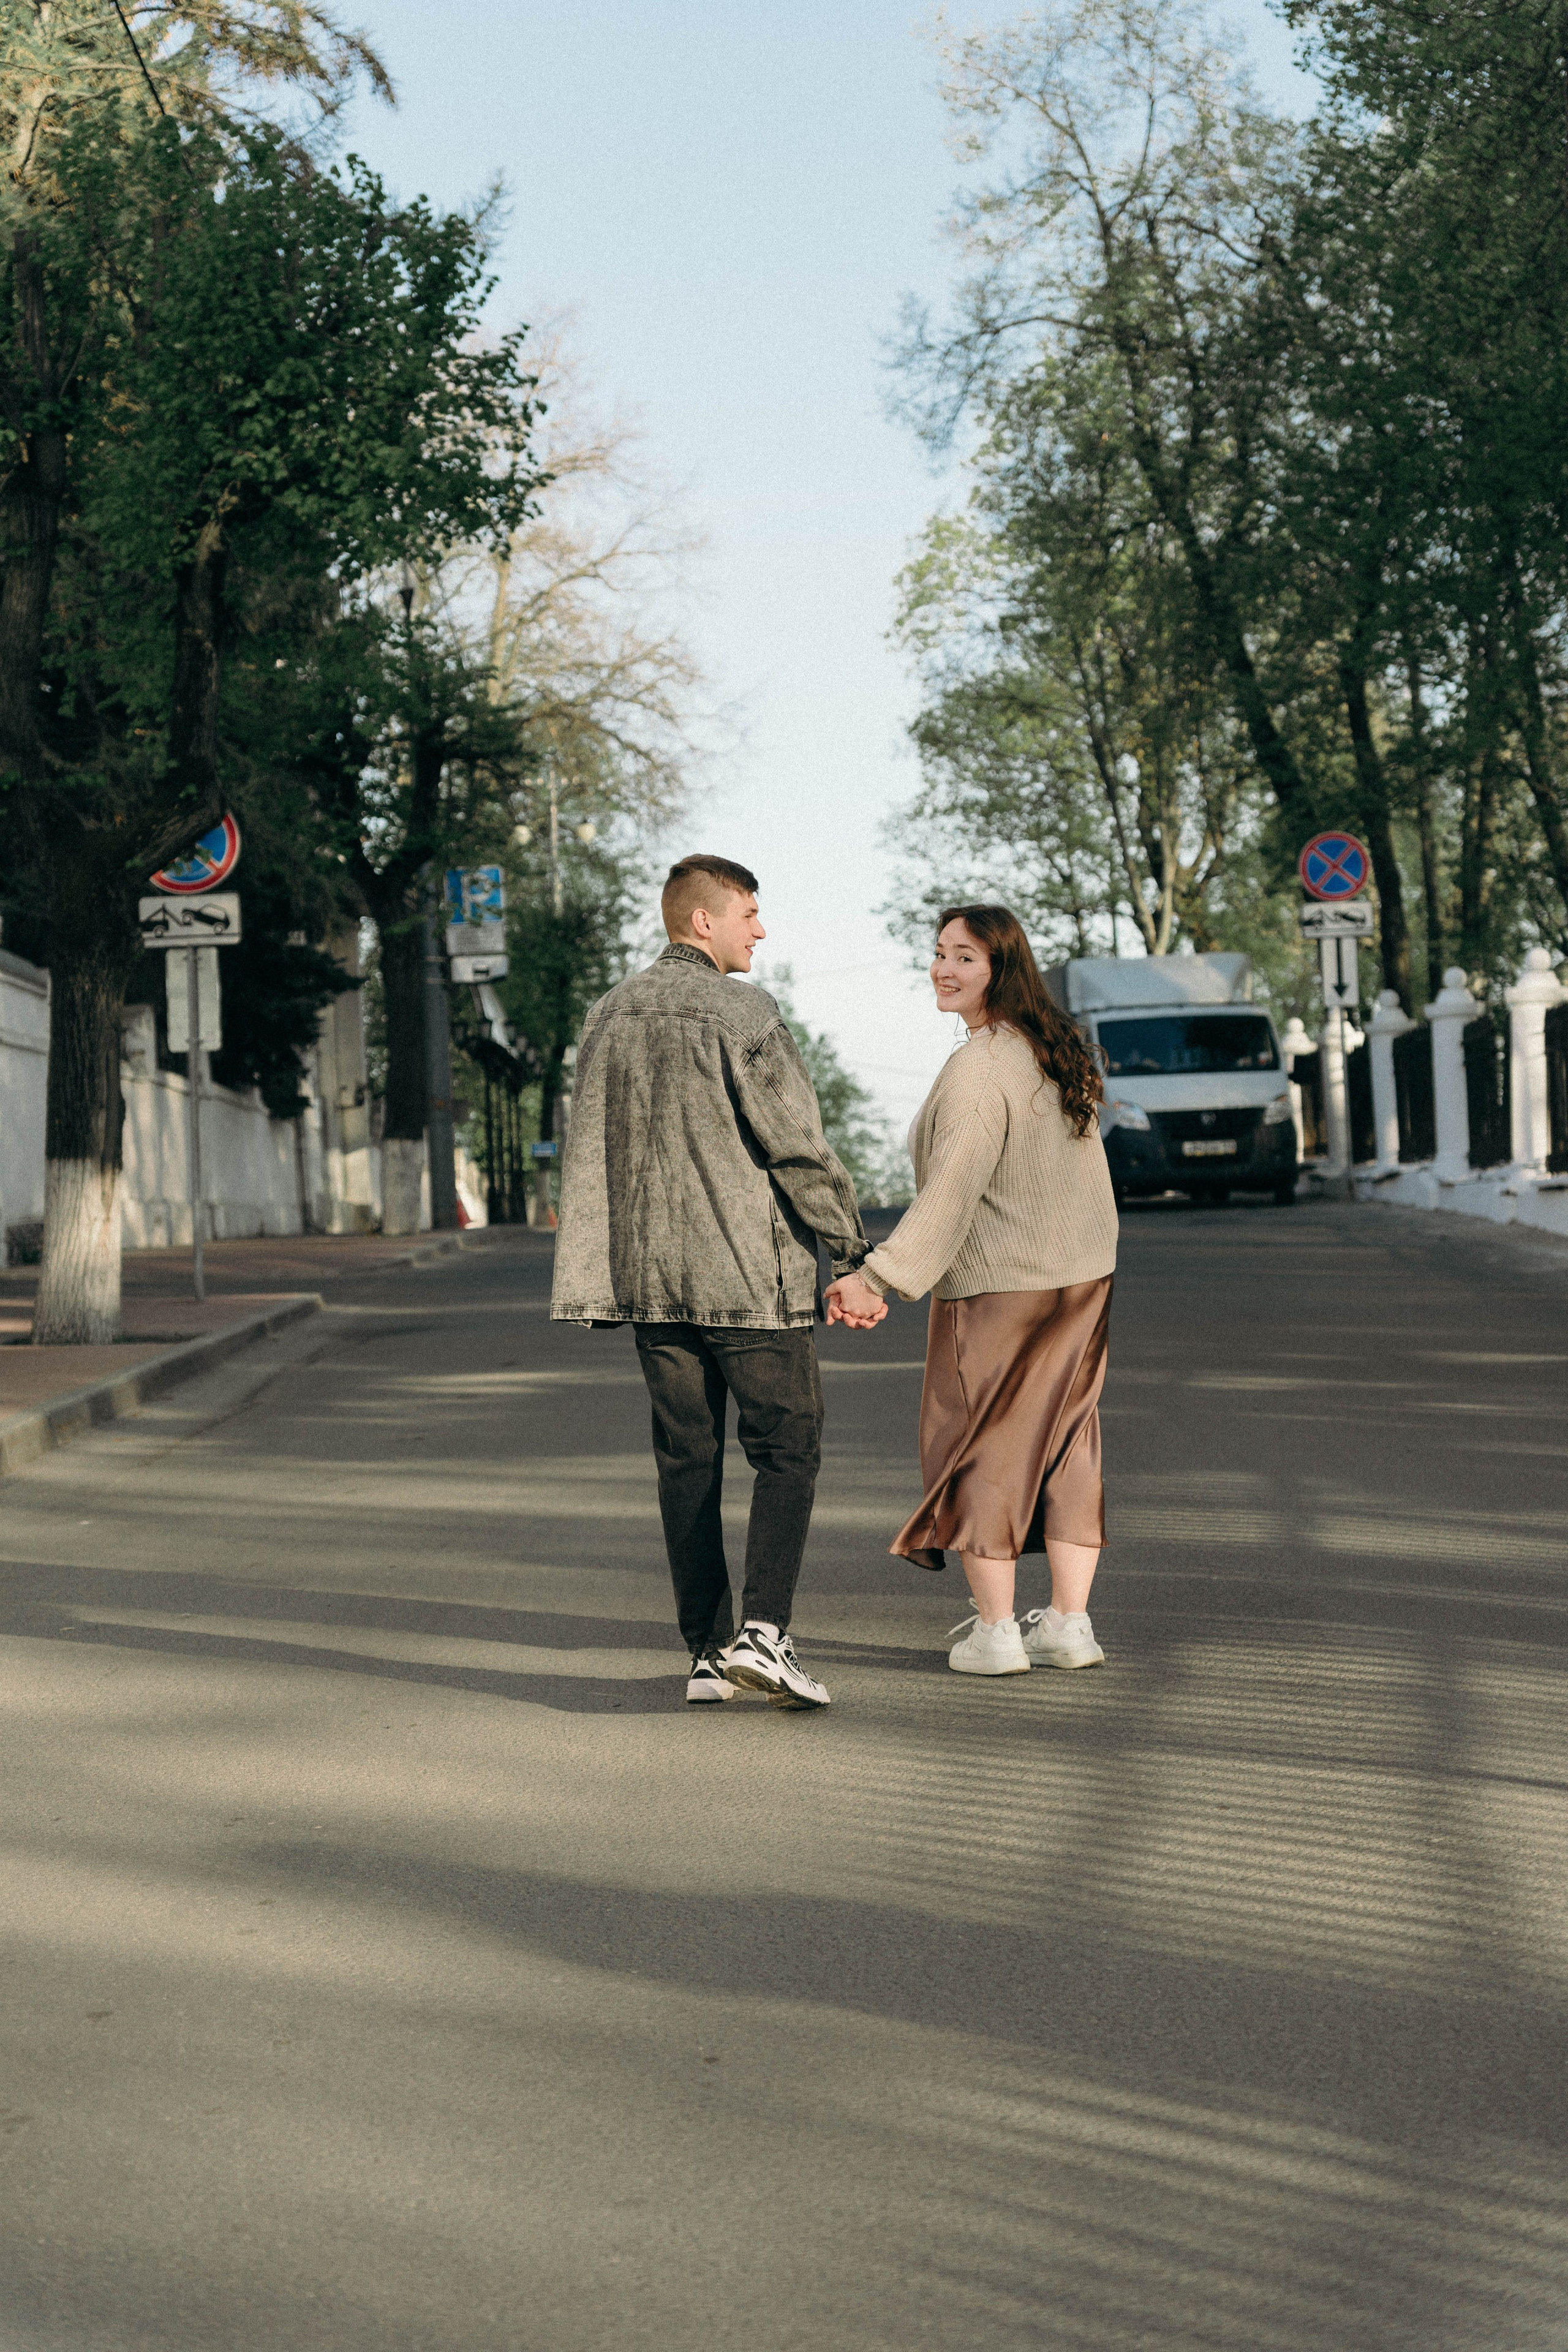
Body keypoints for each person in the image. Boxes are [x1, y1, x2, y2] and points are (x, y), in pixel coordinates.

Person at [551, 852, 886, 1710]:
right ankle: (765, 1635)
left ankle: (706, 1653)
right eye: (748, 912)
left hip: (649, 1282)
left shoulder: (606, 1015)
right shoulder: (742, 1012)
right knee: (788, 1446)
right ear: (704, 920)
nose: (760, 929)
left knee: (686, 1460)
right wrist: (849, 1253)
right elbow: (798, 1145)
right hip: (747, 1276)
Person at [826, 905, 1117, 1676]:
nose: (943, 969)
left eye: (964, 957)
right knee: (1065, 1447)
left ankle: (996, 1634)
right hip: (1080, 1282)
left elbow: (952, 1191)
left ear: (1001, 970)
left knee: (982, 1447)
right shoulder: (1053, 1055)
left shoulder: (980, 1066)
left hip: (999, 1290)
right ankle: (1069, 1623)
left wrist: (878, 1276)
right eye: (939, 953)